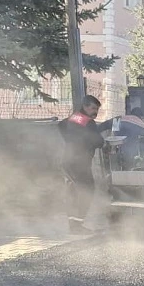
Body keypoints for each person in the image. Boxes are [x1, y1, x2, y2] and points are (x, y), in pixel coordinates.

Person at [58, 94, 110, 234]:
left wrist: (70, 140)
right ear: (85, 106)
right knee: (87, 190)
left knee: (74, 192)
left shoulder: (75, 117)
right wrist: (102, 143)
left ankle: (73, 225)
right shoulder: (88, 122)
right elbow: (97, 140)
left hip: (67, 160)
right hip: (79, 162)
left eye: (97, 109)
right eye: (93, 108)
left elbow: (61, 124)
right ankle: (77, 225)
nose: (95, 112)